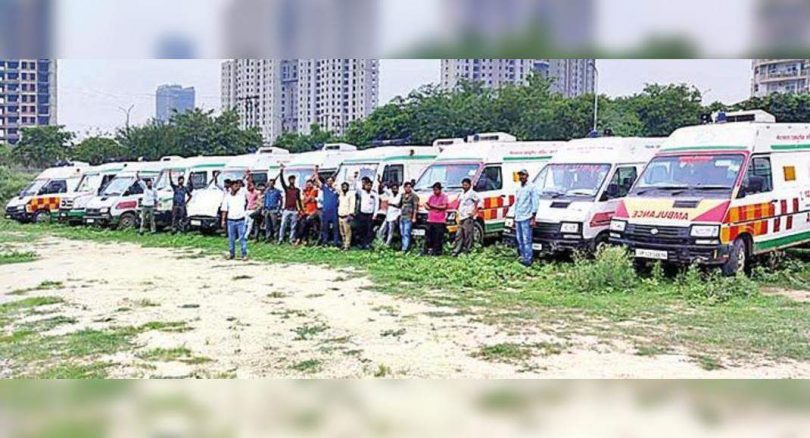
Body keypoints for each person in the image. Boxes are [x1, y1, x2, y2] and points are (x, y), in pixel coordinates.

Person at [514, 168, 539, 267]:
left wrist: (533, 217)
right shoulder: (518, 188)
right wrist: (513, 217)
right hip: (518, 217)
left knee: (526, 240)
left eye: (523, 175)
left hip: (526, 217)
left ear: (527, 176)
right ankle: (522, 257)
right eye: (520, 175)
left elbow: (535, 202)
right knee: (519, 239)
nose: (521, 177)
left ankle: (528, 259)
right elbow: (517, 203)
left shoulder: (532, 187)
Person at [221, 179, 249, 260]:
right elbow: (224, 209)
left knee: (242, 238)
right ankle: (231, 253)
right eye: (234, 185)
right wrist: (223, 220)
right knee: (231, 238)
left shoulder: (242, 194)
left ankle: (244, 254)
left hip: (241, 220)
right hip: (231, 220)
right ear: (231, 187)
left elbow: (249, 185)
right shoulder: (227, 196)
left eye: (237, 185)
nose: (237, 186)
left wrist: (248, 176)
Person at [452, 178, 481, 256]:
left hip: (467, 216)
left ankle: (468, 251)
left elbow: (479, 201)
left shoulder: (472, 193)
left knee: (468, 234)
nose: (464, 186)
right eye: (463, 185)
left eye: (466, 185)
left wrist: (474, 212)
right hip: (461, 216)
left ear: (469, 185)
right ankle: (457, 251)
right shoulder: (461, 193)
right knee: (459, 235)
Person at [277, 165, 303, 244]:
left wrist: (300, 209)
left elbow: (298, 200)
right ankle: (280, 239)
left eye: (293, 179)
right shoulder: (286, 188)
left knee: (293, 226)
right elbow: (282, 182)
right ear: (289, 180)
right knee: (283, 225)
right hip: (286, 210)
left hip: (294, 210)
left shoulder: (297, 190)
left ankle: (291, 239)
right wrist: (281, 172)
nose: (292, 180)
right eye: (291, 179)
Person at [314, 176, 341, 247]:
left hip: (334, 212)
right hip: (326, 211)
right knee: (325, 228)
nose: (329, 182)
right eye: (328, 181)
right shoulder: (325, 189)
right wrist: (316, 172)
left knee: (335, 228)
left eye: (331, 181)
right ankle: (325, 242)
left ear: (333, 182)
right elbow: (318, 181)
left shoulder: (336, 190)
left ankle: (335, 242)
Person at [423, 182, 448, 256]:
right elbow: (426, 204)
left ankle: (437, 252)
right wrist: (427, 206)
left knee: (438, 237)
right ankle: (429, 250)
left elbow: (444, 207)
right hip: (431, 219)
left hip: (439, 221)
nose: (435, 192)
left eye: (436, 190)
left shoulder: (444, 197)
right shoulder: (431, 196)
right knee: (430, 237)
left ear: (440, 189)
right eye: (434, 190)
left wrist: (434, 206)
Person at [355, 177, 378, 250]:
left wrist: (375, 215)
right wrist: (356, 178)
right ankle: (361, 244)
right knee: (361, 229)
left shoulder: (374, 194)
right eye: (367, 185)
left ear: (371, 186)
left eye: (369, 185)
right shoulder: (362, 192)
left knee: (369, 230)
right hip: (362, 214)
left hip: (370, 215)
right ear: (364, 186)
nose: (368, 187)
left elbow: (376, 205)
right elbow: (356, 187)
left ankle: (367, 244)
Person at [295, 178, 320, 245]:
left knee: (306, 222)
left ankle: (300, 239)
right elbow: (303, 201)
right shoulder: (304, 192)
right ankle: (302, 239)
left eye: (310, 184)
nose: (308, 185)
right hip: (306, 212)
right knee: (301, 223)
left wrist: (309, 198)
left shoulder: (315, 190)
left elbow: (309, 199)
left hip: (313, 212)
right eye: (307, 184)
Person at [378, 182, 401, 246]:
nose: (395, 190)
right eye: (393, 188)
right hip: (388, 215)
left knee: (390, 232)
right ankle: (380, 243)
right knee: (381, 231)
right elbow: (383, 188)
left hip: (394, 216)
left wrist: (393, 205)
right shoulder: (390, 194)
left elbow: (399, 206)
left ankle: (387, 245)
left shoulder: (400, 196)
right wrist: (380, 182)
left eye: (396, 188)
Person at [399, 181, 419, 252]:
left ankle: (405, 249)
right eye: (406, 187)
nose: (408, 188)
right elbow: (399, 205)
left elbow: (415, 207)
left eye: (409, 187)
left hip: (409, 216)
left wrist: (414, 217)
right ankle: (404, 245)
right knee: (402, 232)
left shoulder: (414, 196)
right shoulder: (402, 195)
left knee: (406, 233)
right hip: (402, 216)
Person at [337, 182, 356, 250]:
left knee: (347, 232)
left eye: (345, 187)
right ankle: (344, 243)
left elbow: (352, 205)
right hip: (340, 215)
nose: (344, 188)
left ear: (348, 187)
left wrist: (350, 214)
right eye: (343, 187)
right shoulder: (341, 195)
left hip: (347, 216)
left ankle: (347, 245)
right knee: (342, 232)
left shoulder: (351, 195)